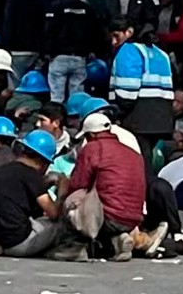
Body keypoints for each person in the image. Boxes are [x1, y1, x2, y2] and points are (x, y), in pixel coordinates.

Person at [61, 112, 149, 261]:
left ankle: (76, 247)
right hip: (133, 219)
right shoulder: (133, 152)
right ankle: (120, 239)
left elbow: (78, 184)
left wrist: (62, 189)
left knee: (73, 199)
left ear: (92, 135)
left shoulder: (93, 148)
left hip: (108, 219)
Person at [0, 130, 60, 257]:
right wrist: (63, 188)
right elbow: (54, 213)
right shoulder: (32, 175)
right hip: (19, 243)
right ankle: (60, 251)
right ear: (42, 161)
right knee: (59, 225)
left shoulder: (2, 170)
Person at [109, 19, 175, 170]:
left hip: (138, 118)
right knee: (146, 160)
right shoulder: (161, 53)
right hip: (162, 117)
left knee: (138, 165)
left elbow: (127, 92)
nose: (113, 42)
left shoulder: (129, 50)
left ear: (129, 32)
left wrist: (118, 113)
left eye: (116, 36)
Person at [43, 0, 105, 103]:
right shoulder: (87, 9)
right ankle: (75, 120)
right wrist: (92, 51)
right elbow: (95, 32)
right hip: (79, 57)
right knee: (77, 98)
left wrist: (46, 52)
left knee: (56, 97)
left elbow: (48, 31)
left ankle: (56, 119)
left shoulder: (54, 7)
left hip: (58, 57)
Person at [1, 0, 44, 78]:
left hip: (17, 49)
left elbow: (9, 22)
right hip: (34, 48)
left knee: (15, 84)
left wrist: (6, 45)